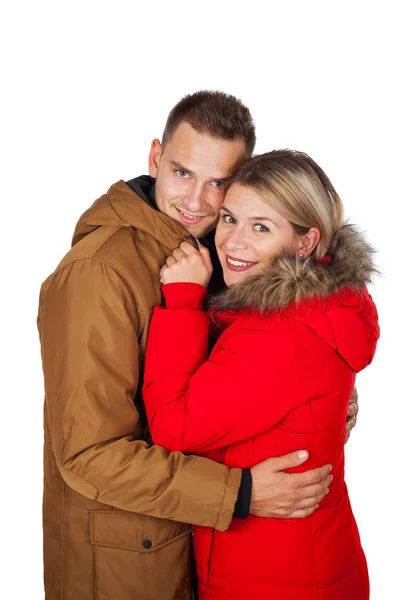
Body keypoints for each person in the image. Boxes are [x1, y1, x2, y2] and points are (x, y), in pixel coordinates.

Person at [38, 93, 354, 600]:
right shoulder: (98, 273)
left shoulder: (226, 253)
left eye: (218, 184)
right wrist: (241, 493)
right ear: (154, 158)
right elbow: (86, 454)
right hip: (129, 561)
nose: (197, 202)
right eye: (182, 173)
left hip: (202, 546)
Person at [143, 149, 379, 599]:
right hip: (297, 561)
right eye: (229, 219)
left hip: (278, 578)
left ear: (305, 242)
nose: (232, 242)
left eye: (261, 227)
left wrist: (183, 303)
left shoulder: (279, 334)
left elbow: (174, 427)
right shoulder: (312, 308)